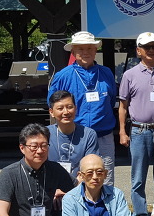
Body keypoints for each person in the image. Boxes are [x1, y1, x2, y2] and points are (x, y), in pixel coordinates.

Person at [118, 32, 154, 216]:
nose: (151, 50)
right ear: (138, 51)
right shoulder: (129, 75)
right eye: (147, 47)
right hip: (139, 131)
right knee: (138, 177)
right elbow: (123, 106)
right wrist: (122, 131)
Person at [47, 31, 117, 185]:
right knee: (74, 181)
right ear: (73, 52)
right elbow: (53, 104)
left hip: (103, 136)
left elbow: (111, 100)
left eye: (89, 48)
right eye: (81, 49)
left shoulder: (106, 73)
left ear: (95, 50)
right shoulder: (63, 76)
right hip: (75, 138)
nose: (86, 52)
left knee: (104, 181)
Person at [46, 90, 99, 176]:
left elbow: (91, 166)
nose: (66, 112)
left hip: (80, 180)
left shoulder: (88, 134)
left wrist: (77, 182)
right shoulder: (45, 134)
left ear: (75, 108)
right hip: (51, 181)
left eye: (69, 107)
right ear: (51, 112)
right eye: (60, 108)